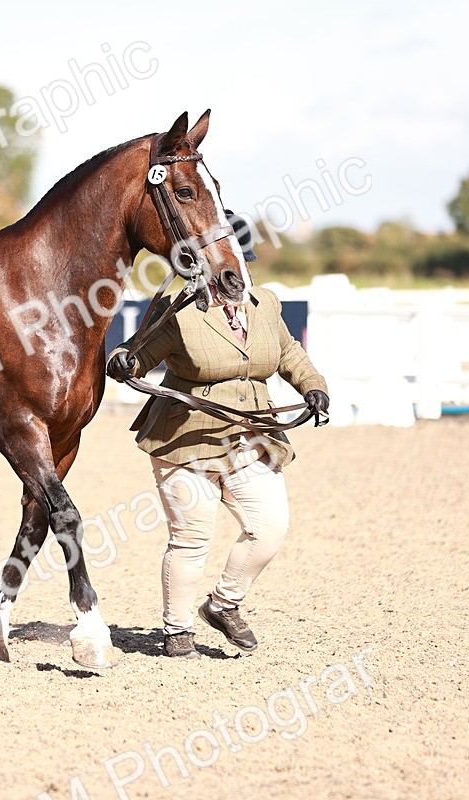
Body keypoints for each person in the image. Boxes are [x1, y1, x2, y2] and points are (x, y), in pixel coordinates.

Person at [106, 214, 329, 658]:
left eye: (240, 262)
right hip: (185, 440)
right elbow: (136, 352)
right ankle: (177, 630)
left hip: (253, 437)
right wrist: (122, 361)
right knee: (192, 536)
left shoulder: (266, 305)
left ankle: (224, 604)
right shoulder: (180, 313)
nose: (232, 272)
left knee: (269, 527)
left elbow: (288, 352)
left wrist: (314, 387)